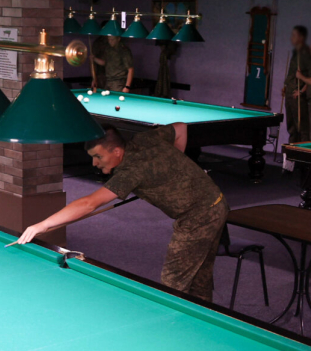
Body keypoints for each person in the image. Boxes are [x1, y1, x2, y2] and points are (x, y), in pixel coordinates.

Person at [17, 124, 228, 302]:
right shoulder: (144, 139)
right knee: (199, 278)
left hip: (198, 217)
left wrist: (42, 225)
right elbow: (180, 128)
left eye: (99, 156)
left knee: (173, 282)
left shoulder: (130, 172)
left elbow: (89, 203)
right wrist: (174, 169)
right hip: (216, 201)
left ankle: (170, 328)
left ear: (117, 152)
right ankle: (208, 321)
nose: (95, 163)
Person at [283, 25, 311, 144]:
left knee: (302, 128)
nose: (291, 38)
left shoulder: (307, 54)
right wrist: (285, 87)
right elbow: (292, 74)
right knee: (292, 128)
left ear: (302, 37)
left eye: (294, 35)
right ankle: (291, 152)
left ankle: (302, 153)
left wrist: (302, 91)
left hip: (298, 95)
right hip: (290, 92)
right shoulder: (296, 52)